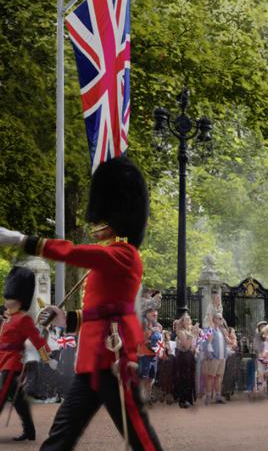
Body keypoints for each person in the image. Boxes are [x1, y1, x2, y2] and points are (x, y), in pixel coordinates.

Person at [1, 156, 163, 450]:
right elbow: (99, 310)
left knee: (139, 436)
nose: (95, 223)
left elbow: (74, 253)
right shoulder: (111, 257)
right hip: (92, 360)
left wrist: (21, 239)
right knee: (60, 436)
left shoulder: (124, 255)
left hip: (112, 356)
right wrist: (65, 318)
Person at [0, 266, 52, 442]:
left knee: (1, 395)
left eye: (11, 300)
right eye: (6, 299)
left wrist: (48, 358)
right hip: (2, 360)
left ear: (21, 301)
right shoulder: (8, 318)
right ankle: (30, 431)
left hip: (11, 362)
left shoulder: (24, 319)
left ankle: (29, 431)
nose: (7, 302)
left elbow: (38, 340)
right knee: (19, 401)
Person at [202, 313, 228, 405]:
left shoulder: (222, 330)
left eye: (222, 318)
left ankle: (218, 396)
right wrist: (210, 355)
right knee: (210, 376)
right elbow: (204, 342)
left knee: (218, 377)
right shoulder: (209, 330)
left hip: (222, 357)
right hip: (214, 357)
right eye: (219, 318)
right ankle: (208, 396)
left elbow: (228, 342)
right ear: (214, 319)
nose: (221, 320)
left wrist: (226, 334)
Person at [173, 314, 196, 408]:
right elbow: (186, 346)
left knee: (190, 377)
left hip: (190, 356)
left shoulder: (189, 331)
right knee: (184, 377)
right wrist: (192, 335)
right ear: (182, 322)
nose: (188, 320)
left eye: (189, 318)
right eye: (186, 319)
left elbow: (192, 347)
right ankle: (183, 400)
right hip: (183, 356)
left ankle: (189, 399)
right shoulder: (180, 331)